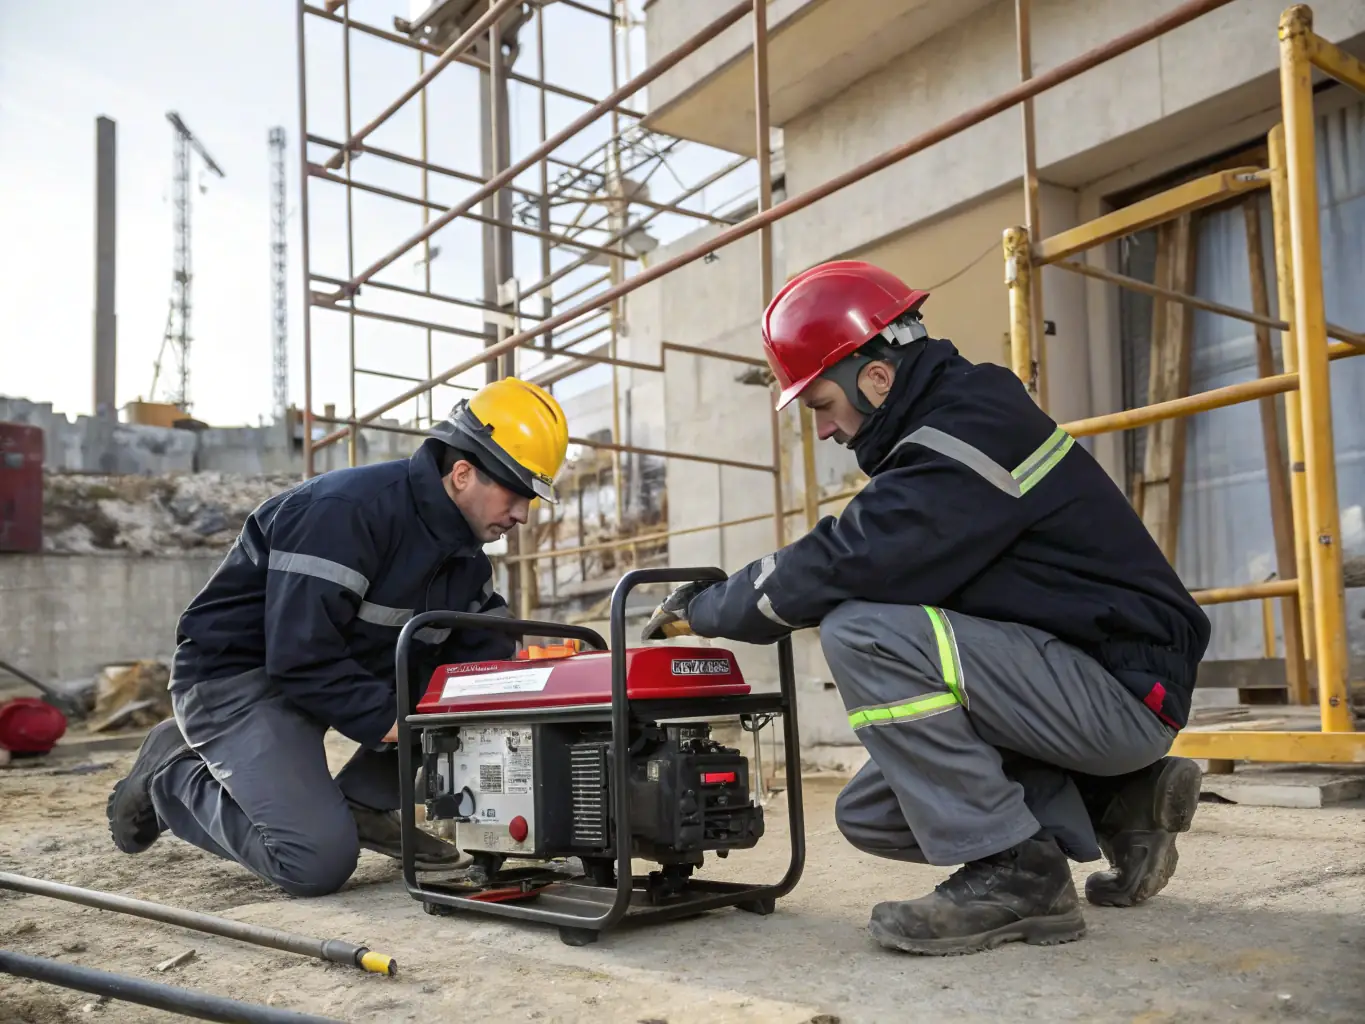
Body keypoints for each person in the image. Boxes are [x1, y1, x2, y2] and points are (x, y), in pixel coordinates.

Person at [642, 260, 1210, 956]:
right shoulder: (946, 433)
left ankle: (1020, 875)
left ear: (874, 376)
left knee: (862, 632)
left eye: (820, 404)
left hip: (1119, 688)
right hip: (1067, 681)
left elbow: (842, 558)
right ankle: (1120, 802)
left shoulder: (966, 433)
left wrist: (700, 611)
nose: (822, 430)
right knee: (871, 814)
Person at [107, 378, 569, 897]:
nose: (522, 514)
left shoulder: (463, 561)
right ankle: (171, 773)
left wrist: (536, 680)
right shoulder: (347, 512)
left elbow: (483, 654)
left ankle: (362, 804)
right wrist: (394, 723)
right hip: (236, 682)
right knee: (314, 862)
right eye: (516, 493)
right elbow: (300, 655)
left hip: (327, 675)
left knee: (466, 689)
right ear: (463, 474)